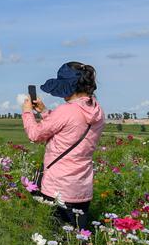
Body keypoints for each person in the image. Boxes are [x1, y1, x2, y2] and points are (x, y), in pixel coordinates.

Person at [22, 62, 105, 230]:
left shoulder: (66, 110)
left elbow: (35, 135)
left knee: (54, 236)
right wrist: (45, 112)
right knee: (78, 236)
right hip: (82, 186)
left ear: (68, 86)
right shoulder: (97, 110)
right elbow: (69, 128)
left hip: (57, 186)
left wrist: (27, 112)